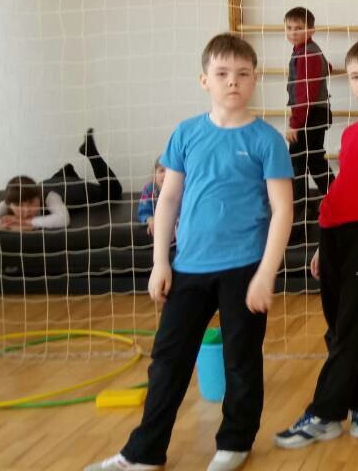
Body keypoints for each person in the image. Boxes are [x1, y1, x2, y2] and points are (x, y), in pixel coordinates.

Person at [85, 33, 293, 471]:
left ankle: (235, 442)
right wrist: (160, 261)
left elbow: (282, 211)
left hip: (244, 270)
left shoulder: (267, 140)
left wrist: (265, 274)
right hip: (189, 268)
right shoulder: (186, 133)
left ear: (254, 79)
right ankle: (144, 452)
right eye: (222, 73)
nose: (232, 81)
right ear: (204, 80)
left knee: (240, 361)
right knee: (168, 361)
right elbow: (168, 200)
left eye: (242, 74)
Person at [275, 39, 358, 450]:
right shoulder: (349, 133)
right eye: (354, 76)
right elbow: (344, 187)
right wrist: (320, 244)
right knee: (338, 330)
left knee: (350, 326)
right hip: (331, 233)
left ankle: (324, 413)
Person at [0, 128, 123, 232]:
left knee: (115, 191)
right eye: (20, 206)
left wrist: (25, 222)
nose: (27, 210)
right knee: (58, 182)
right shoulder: (9, 200)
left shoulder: (50, 197)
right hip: (56, 182)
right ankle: (66, 172)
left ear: (37, 196)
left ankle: (90, 153)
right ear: (10, 204)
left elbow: (63, 219)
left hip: (75, 188)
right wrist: (0, 225)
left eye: (31, 203)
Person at [285, 6, 333, 201]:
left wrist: (295, 124)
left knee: (300, 161)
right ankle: (333, 198)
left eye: (298, 28)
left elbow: (305, 94)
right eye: (289, 28)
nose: (293, 33)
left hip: (310, 115)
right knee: (312, 160)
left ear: (311, 30)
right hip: (312, 113)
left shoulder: (307, 54)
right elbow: (327, 67)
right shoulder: (307, 50)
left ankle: (301, 205)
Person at [136, 160, 165, 235]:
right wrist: (150, 220)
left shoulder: (183, 189)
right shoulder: (149, 189)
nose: (165, 174)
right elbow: (143, 211)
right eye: (162, 170)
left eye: (171, 172)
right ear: (154, 174)